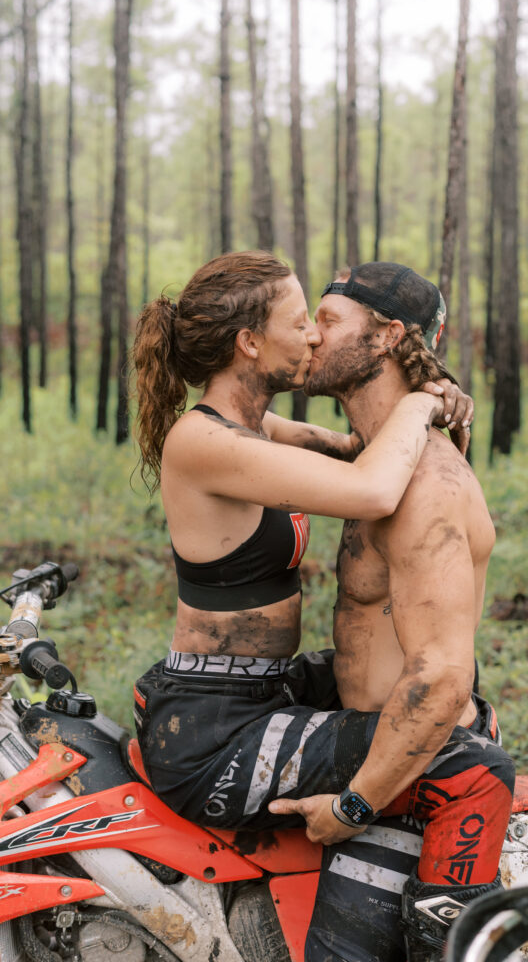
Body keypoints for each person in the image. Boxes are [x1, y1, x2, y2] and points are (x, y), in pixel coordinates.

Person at [131, 250, 471, 840]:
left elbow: (358, 449)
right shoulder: (202, 441)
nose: (314, 336)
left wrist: (430, 399)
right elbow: (371, 488)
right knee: (450, 741)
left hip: (264, 684)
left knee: (430, 699)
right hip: (214, 724)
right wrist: (422, 402)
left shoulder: (257, 430)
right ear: (250, 344)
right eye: (299, 323)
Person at [268, 262, 515, 962]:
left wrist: (354, 806)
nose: (313, 335)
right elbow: (247, 426)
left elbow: (441, 675)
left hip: (410, 762)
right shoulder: (373, 459)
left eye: (331, 321)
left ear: (386, 338)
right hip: (371, 738)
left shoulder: (426, 484)